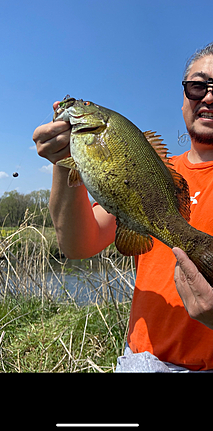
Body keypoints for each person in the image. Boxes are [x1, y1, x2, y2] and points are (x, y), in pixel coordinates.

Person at [33, 42, 213, 372]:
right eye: (198, 86)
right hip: (141, 362)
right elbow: (76, 245)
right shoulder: (160, 174)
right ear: (184, 93)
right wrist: (62, 163)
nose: (209, 97)